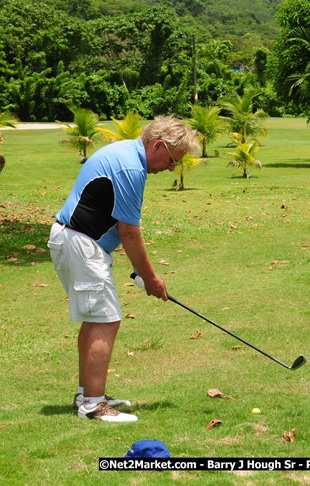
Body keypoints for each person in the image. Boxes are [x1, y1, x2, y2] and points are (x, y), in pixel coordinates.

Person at [48, 116, 199, 423]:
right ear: (157, 146)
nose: (171, 168)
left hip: (76, 241)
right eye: (172, 160)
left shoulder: (126, 154)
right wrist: (151, 278)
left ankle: (89, 394)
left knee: (96, 320)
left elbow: (120, 227)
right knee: (105, 320)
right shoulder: (131, 168)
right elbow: (129, 232)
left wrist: (142, 273)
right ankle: (93, 405)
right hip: (80, 243)